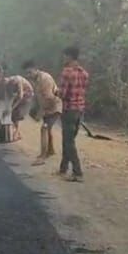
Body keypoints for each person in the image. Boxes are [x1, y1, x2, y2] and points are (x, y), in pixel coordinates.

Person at [57, 46, 89, 182]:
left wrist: (56, 92)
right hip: (80, 109)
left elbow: (63, 94)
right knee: (68, 140)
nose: (63, 58)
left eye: (65, 56)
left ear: (69, 56)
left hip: (69, 109)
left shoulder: (67, 72)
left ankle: (78, 172)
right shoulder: (84, 73)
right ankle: (63, 169)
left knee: (68, 142)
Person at [23, 60, 62, 165]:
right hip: (47, 107)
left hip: (54, 107)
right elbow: (38, 97)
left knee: (44, 128)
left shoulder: (45, 79)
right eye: (26, 73)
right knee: (48, 129)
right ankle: (51, 150)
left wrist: (40, 114)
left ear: (36, 70)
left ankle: (42, 156)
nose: (28, 75)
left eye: (30, 72)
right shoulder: (35, 80)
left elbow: (49, 98)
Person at [5, 74, 34, 142]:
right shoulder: (9, 82)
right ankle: (17, 133)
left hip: (27, 95)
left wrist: (12, 108)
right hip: (20, 95)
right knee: (12, 114)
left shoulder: (18, 81)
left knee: (16, 113)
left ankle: (16, 133)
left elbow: (20, 97)